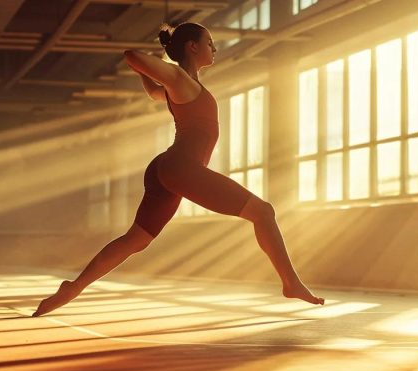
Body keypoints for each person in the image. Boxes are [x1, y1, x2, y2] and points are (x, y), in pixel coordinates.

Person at [33, 23, 324, 317]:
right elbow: (132, 55)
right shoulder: (179, 79)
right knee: (263, 212)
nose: (214, 48)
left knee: (136, 239)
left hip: (168, 169)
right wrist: (155, 58)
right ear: (192, 46)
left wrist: (150, 71)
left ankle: (74, 287)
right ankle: (291, 283)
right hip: (181, 168)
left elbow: (152, 93)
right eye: (209, 42)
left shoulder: (179, 86)